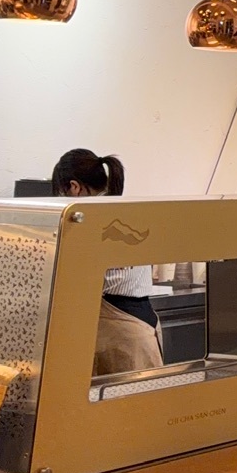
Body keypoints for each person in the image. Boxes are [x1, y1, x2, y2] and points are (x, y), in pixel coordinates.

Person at [52, 148, 164, 377]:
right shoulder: (123, 211)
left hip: (121, 330)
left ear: (74, 187)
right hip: (142, 320)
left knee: (129, 398)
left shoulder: (91, 220)